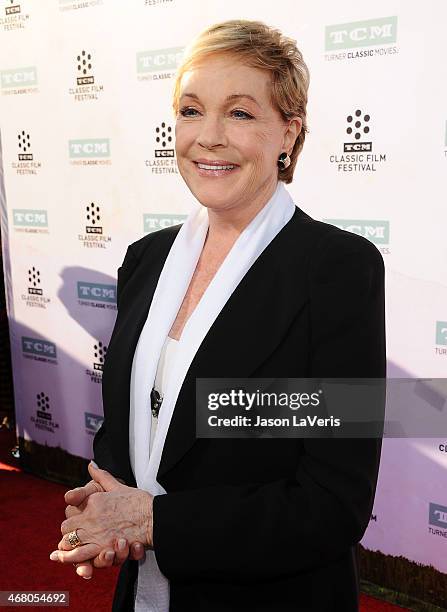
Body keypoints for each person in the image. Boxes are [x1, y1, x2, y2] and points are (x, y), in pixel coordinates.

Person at [50, 19, 386, 611]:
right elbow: (138, 430)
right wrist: (105, 506)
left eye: (240, 113)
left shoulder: (339, 271)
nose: (207, 136)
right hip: (146, 596)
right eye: (190, 109)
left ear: (290, 132)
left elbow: (332, 503)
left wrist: (155, 522)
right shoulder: (145, 260)